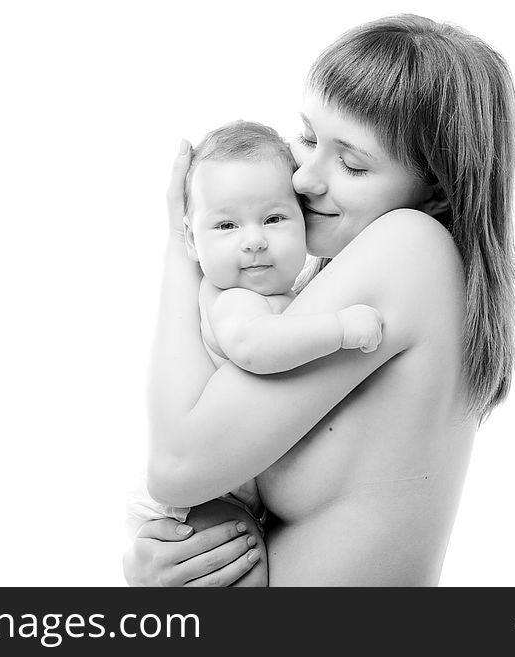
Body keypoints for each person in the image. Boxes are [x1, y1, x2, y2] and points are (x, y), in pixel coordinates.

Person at [124, 14, 515, 586]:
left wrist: (182, 246)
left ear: (436, 187)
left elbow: (177, 466)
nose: (305, 178)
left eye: (352, 163)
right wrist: (169, 560)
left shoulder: (410, 246)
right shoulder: (324, 282)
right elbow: (191, 471)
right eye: (307, 137)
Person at [126, 120, 383, 586]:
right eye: (226, 225)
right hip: (214, 497)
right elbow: (255, 347)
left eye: (274, 218)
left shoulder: (295, 292)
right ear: (190, 238)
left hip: (238, 479)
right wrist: (340, 329)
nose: (254, 239)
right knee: (235, 559)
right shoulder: (235, 300)